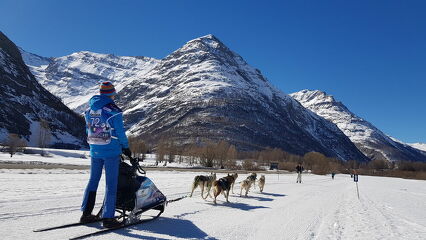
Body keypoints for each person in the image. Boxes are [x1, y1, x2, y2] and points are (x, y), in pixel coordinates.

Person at [80, 81, 132, 228]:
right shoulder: (113, 110)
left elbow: (87, 130)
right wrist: (126, 147)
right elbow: (120, 132)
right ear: (112, 94)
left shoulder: (89, 110)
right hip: (111, 150)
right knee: (111, 184)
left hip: (95, 149)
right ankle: (108, 218)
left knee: (93, 181)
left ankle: (86, 214)